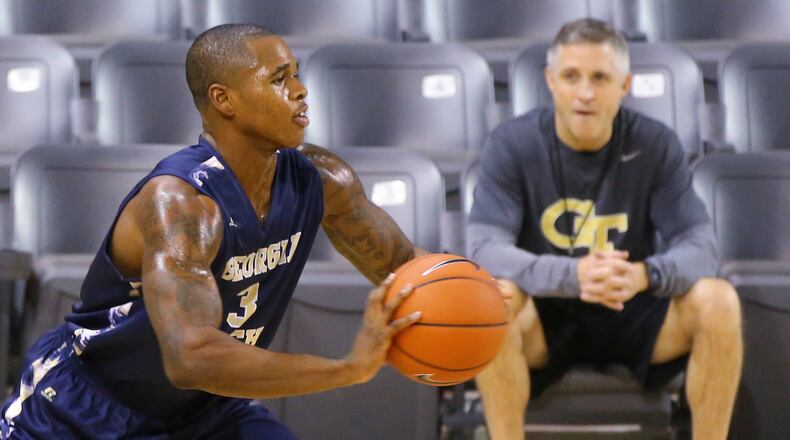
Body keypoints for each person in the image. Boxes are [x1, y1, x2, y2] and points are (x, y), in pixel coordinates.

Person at [0, 24, 426, 439]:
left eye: (296, 73)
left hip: (206, 411)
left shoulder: (321, 179)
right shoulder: (182, 203)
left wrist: (480, 290)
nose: (300, 90)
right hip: (87, 411)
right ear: (225, 100)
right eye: (279, 78)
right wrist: (347, 368)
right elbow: (191, 358)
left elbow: (405, 266)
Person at [467, 18, 742, 440]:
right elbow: (485, 248)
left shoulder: (655, 143)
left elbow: (701, 246)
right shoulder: (512, 144)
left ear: (625, 84)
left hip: (628, 306)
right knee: (495, 298)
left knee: (719, 299)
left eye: (600, 77)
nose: (585, 93)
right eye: (571, 76)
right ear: (550, 81)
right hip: (546, 312)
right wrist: (572, 276)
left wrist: (643, 275)